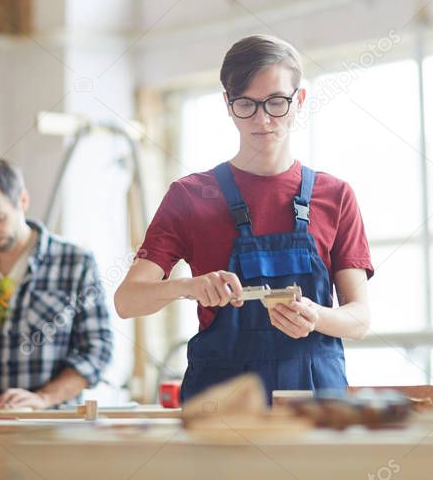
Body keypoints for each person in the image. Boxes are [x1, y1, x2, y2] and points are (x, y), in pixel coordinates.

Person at [115, 34, 374, 402]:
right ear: (227, 104)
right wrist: (188, 287)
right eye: (246, 104)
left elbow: (360, 318)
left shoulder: (335, 196)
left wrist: (316, 316)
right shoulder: (190, 196)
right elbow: (127, 301)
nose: (263, 118)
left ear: (299, 100)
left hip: (315, 409)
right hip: (220, 410)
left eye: (276, 102)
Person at [0, 159, 113, 409]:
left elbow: (97, 350)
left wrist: (44, 398)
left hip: (51, 426)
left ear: (22, 201)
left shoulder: (76, 264)